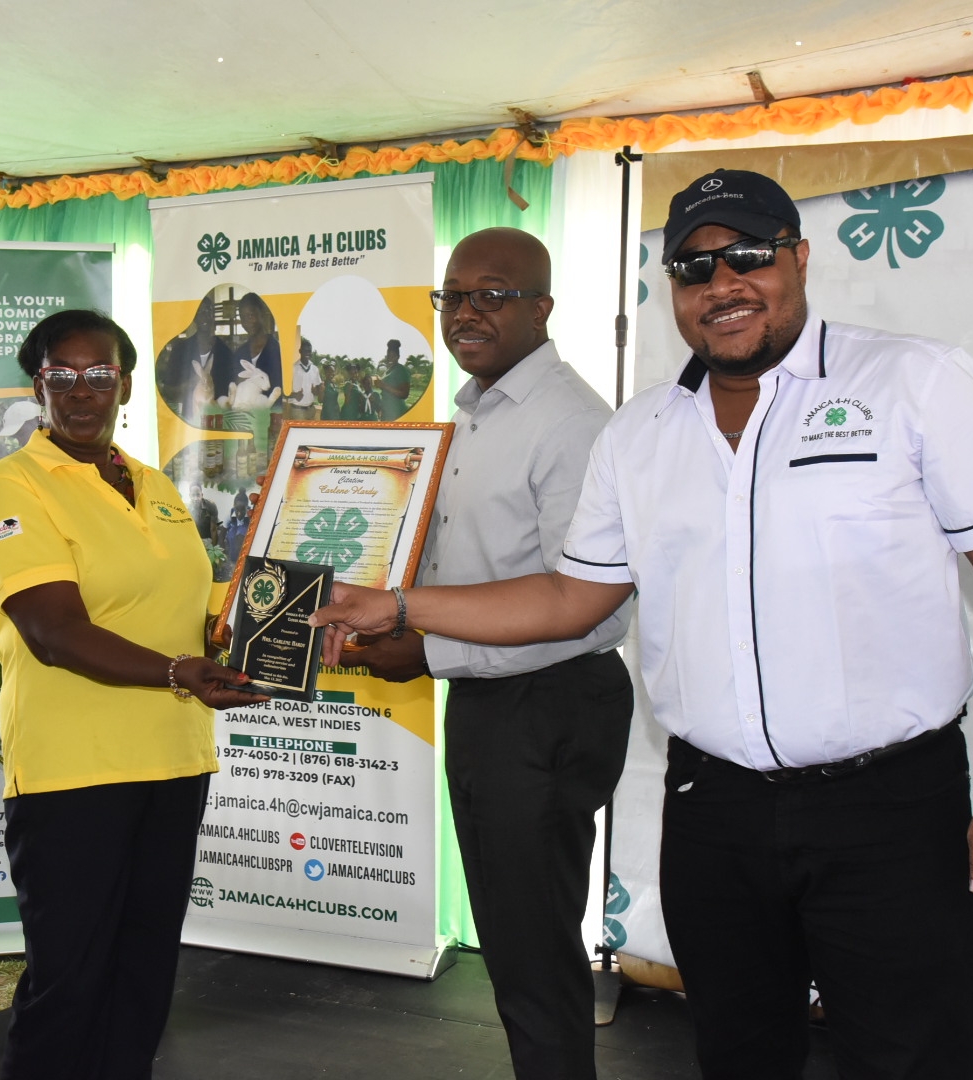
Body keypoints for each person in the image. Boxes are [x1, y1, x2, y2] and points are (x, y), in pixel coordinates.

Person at [313, 172, 973, 1080]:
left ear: (798, 258)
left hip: (889, 808)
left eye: (747, 256)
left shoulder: (911, 382)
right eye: (694, 267)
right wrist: (397, 605)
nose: (723, 284)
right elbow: (569, 598)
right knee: (739, 1053)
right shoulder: (641, 434)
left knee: (907, 1058)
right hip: (716, 808)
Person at [340, 227, 633, 1080]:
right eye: (453, 295)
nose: (466, 312)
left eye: (492, 294)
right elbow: (460, 564)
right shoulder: (474, 412)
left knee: (533, 949)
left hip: (548, 704)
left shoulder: (573, 424)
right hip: (486, 700)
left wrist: (425, 648)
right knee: (514, 942)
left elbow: (584, 609)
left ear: (542, 308)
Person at [0, 309, 265, 1078]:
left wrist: (259, 632)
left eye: (99, 375)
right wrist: (178, 671)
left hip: (173, 761)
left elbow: (193, 611)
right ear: (37, 386)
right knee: (69, 982)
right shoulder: (15, 485)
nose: (82, 391)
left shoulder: (154, 485)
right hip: (74, 772)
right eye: (62, 376)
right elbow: (53, 631)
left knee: (143, 974)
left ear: (125, 385)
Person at [232, 292, 282, 400]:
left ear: (262, 314)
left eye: (251, 315)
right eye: (243, 317)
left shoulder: (277, 351)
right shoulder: (239, 354)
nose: (247, 322)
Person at [286, 337, 322, 420]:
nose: (307, 353)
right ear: (300, 351)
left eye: (309, 351)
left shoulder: (315, 369)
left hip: (311, 410)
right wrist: (294, 395)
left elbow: (317, 391)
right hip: (297, 411)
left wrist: (316, 391)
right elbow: (283, 391)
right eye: (305, 351)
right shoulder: (292, 369)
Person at [377, 339, 412, 420]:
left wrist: (383, 386)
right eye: (389, 355)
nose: (390, 358)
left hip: (397, 413)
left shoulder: (401, 369)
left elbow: (404, 394)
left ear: (398, 357)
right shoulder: (388, 371)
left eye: (393, 356)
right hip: (386, 412)